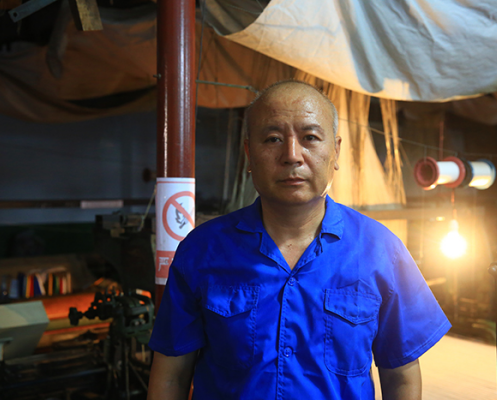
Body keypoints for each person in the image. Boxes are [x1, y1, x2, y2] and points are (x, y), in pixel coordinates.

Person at [147, 80, 450, 400]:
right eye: (273, 139)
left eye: (310, 138)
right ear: (249, 153)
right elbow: (171, 376)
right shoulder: (201, 251)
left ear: (335, 151)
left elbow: (401, 377)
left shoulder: (381, 250)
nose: (292, 156)